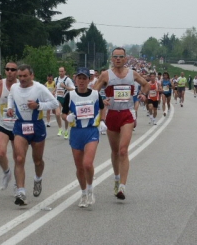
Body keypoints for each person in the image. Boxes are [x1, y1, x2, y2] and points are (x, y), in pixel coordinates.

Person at [94, 47, 149, 200]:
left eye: (121, 56)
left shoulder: (132, 74)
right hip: (112, 114)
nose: (118, 59)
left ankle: (122, 188)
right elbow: (93, 91)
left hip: (127, 114)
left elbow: (146, 84)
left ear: (125, 59)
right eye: (115, 56)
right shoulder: (106, 75)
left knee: (123, 150)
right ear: (112, 59)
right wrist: (100, 101)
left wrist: (142, 95)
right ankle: (117, 179)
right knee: (115, 152)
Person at [6, 64, 58, 206]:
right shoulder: (14, 87)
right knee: (19, 158)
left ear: (32, 76)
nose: (22, 79)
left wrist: (38, 106)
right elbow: (11, 96)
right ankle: (21, 191)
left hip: (37, 126)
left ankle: (38, 178)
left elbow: (54, 103)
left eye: (25, 76)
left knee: (38, 161)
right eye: (20, 76)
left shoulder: (39, 88)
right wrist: (10, 107)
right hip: (20, 125)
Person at [62, 67, 106, 208]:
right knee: (79, 167)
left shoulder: (94, 94)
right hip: (76, 132)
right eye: (79, 78)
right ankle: (83, 193)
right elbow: (62, 113)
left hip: (91, 131)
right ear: (75, 79)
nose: (81, 81)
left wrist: (103, 121)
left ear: (89, 80)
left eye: (84, 78)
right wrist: (67, 117)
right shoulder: (70, 95)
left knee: (87, 163)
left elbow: (102, 107)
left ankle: (90, 189)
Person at [0, 62, 19, 192]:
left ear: (17, 71)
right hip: (2, 124)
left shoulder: (21, 85)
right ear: (5, 71)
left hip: (18, 126)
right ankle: (6, 173)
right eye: (7, 69)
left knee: (18, 158)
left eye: (13, 69)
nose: (10, 71)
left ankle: (19, 184)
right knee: (0, 153)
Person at [54, 67, 75, 139]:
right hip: (58, 98)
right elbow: (56, 87)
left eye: (62, 71)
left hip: (66, 98)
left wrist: (65, 87)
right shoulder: (56, 79)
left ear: (65, 72)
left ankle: (66, 130)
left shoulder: (68, 80)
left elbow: (73, 89)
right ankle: (60, 128)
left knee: (65, 116)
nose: (61, 73)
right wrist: (54, 91)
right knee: (57, 113)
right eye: (59, 71)